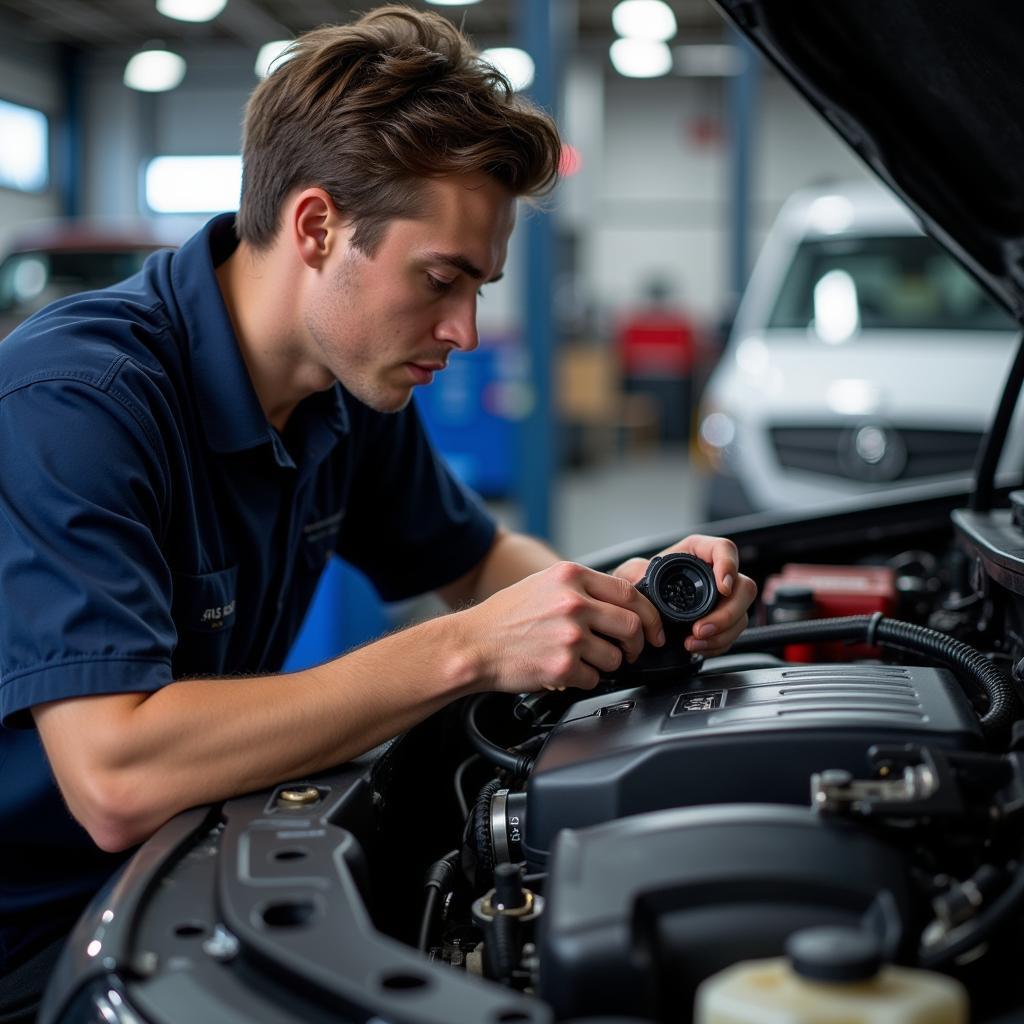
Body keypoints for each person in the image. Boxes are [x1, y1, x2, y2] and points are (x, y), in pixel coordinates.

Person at [0, 2, 757, 1001]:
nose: (466, 330)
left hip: (175, 873)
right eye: (441, 279)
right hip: (33, 934)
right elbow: (116, 773)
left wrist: (612, 603)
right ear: (317, 226)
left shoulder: (343, 387)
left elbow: (477, 564)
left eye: (478, 287)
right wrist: (469, 647)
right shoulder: (76, 402)